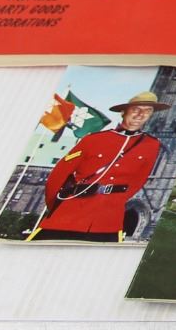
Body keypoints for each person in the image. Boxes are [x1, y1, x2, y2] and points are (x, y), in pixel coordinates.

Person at [32, 92, 166, 242]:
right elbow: (58, 175)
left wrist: (116, 200)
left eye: (148, 111)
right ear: (123, 112)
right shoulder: (94, 139)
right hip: (71, 213)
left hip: (108, 221)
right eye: (136, 109)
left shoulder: (151, 145)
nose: (141, 115)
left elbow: (138, 181)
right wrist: (59, 206)